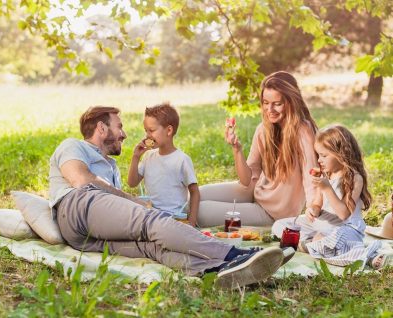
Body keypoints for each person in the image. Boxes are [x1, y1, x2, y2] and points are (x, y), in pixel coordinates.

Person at [48, 105, 289, 288]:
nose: (124, 134)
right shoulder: (72, 145)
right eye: (118, 126)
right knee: (152, 221)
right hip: (77, 206)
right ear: (101, 128)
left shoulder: (110, 166)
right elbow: (81, 180)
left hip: (83, 237)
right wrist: (135, 202)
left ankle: (219, 270)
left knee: (152, 247)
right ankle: (235, 255)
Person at [197, 71, 318, 227]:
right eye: (266, 102)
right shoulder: (264, 129)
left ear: (291, 102)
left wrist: (313, 209)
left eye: (277, 103)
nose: (270, 109)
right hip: (254, 192)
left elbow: (312, 179)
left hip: (272, 214)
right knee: (194, 196)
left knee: (199, 211)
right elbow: (246, 180)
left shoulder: (304, 132)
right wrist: (237, 149)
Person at [272, 125, 384, 268]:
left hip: (346, 228)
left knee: (338, 239)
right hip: (324, 225)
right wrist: (312, 210)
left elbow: (344, 214)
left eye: (324, 156)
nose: (319, 160)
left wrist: (327, 188)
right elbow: (317, 204)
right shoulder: (326, 174)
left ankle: (367, 255)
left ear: (341, 154)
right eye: (318, 155)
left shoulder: (355, 178)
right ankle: (315, 244)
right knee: (280, 225)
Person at [127, 103, 200, 226]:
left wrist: (192, 222)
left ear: (169, 130)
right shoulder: (148, 156)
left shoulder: (181, 160)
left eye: (152, 130)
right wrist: (136, 157)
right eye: (146, 131)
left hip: (174, 218)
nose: (147, 135)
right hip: (151, 216)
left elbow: (195, 192)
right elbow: (132, 183)